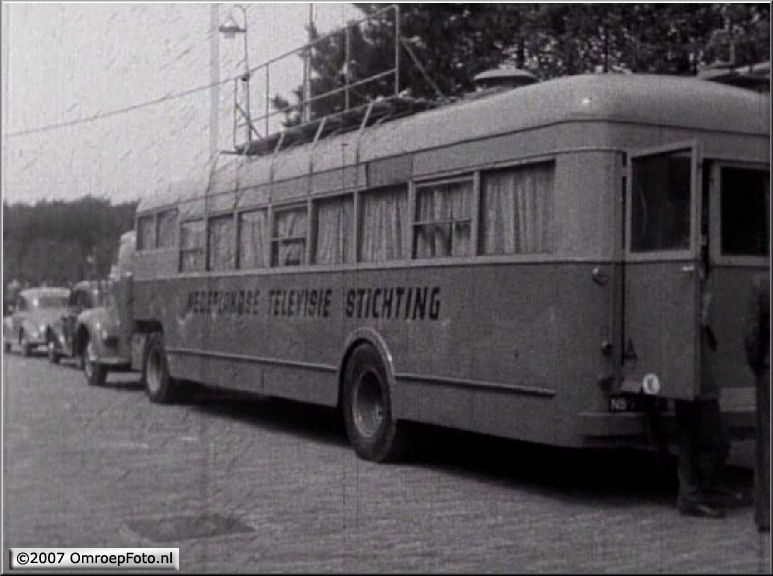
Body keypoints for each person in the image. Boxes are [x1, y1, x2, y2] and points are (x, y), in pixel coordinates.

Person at [744, 274, 769, 533]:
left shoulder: (761, 283)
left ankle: (766, 514)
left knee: (766, 442)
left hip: (768, 369)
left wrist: (758, 364)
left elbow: (752, 334)